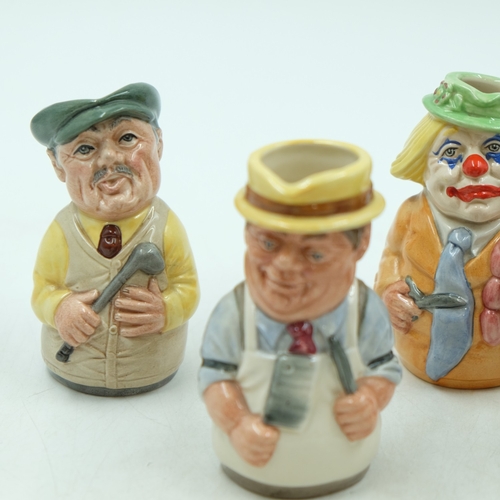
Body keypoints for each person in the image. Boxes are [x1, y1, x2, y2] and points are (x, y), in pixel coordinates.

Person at [199, 139, 401, 498]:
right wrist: (237, 422)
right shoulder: (235, 311)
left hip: (346, 462)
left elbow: (384, 368)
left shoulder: (364, 311)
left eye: (315, 254)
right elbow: (216, 377)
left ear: (361, 243)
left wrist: (371, 398)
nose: (284, 266)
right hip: (248, 465)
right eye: (268, 244)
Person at [31, 83, 199, 396]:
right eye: (85, 149)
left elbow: (187, 288)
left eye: (127, 138)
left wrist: (166, 310)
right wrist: (59, 307)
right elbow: (43, 289)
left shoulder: (165, 227)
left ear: (158, 143)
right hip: (73, 365)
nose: (109, 159)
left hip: (152, 364)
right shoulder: (62, 230)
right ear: (57, 165)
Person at [375, 72, 500, 389]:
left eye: (495, 148)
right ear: (422, 166)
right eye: (451, 152)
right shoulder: (410, 215)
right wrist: (388, 293)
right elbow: (390, 258)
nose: (476, 167)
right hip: (415, 349)